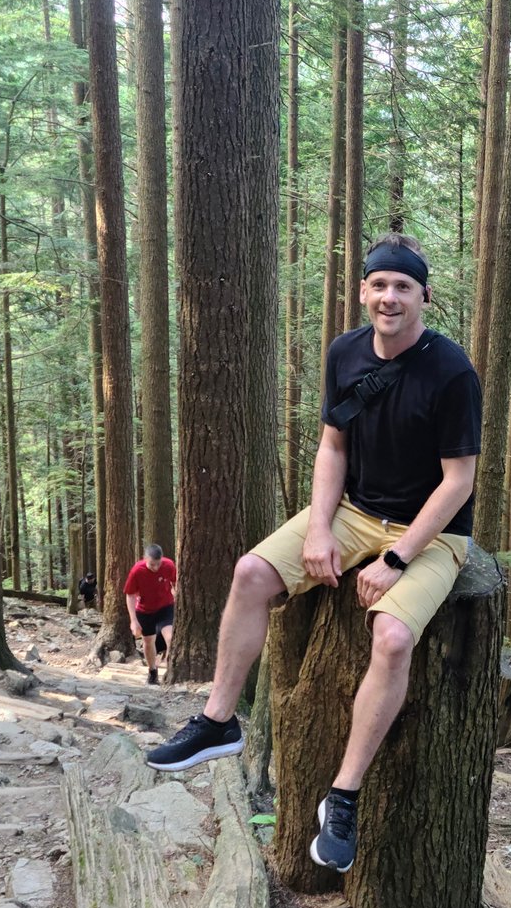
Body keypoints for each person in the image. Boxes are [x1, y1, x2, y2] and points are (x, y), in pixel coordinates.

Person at [147, 232, 481, 874]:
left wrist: (398, 558)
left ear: (423, 298)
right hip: (355, 511)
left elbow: (458, 480)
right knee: (250, 572)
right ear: (363, 291)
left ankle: (343, 795)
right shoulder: (346, 353)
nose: (389, 297)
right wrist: (323, 528)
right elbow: (333, 448)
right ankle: (219, 722)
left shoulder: (451, 372)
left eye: (403, 287)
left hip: (433, 533)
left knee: (390, 639)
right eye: (379, 285)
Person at [124, 544, 177, 685]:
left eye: (158, 564)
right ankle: (152, 672)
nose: (156, 568)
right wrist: (133, 620)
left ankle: (171, 669)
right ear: (145, 559)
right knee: (148, 641)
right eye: (152, 564)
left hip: (166, 606)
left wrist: (176, 594)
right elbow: (130, 595)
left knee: (171, 637)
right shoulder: (137, 571)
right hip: (145, 610)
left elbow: (175, 582)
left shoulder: (169, 565)